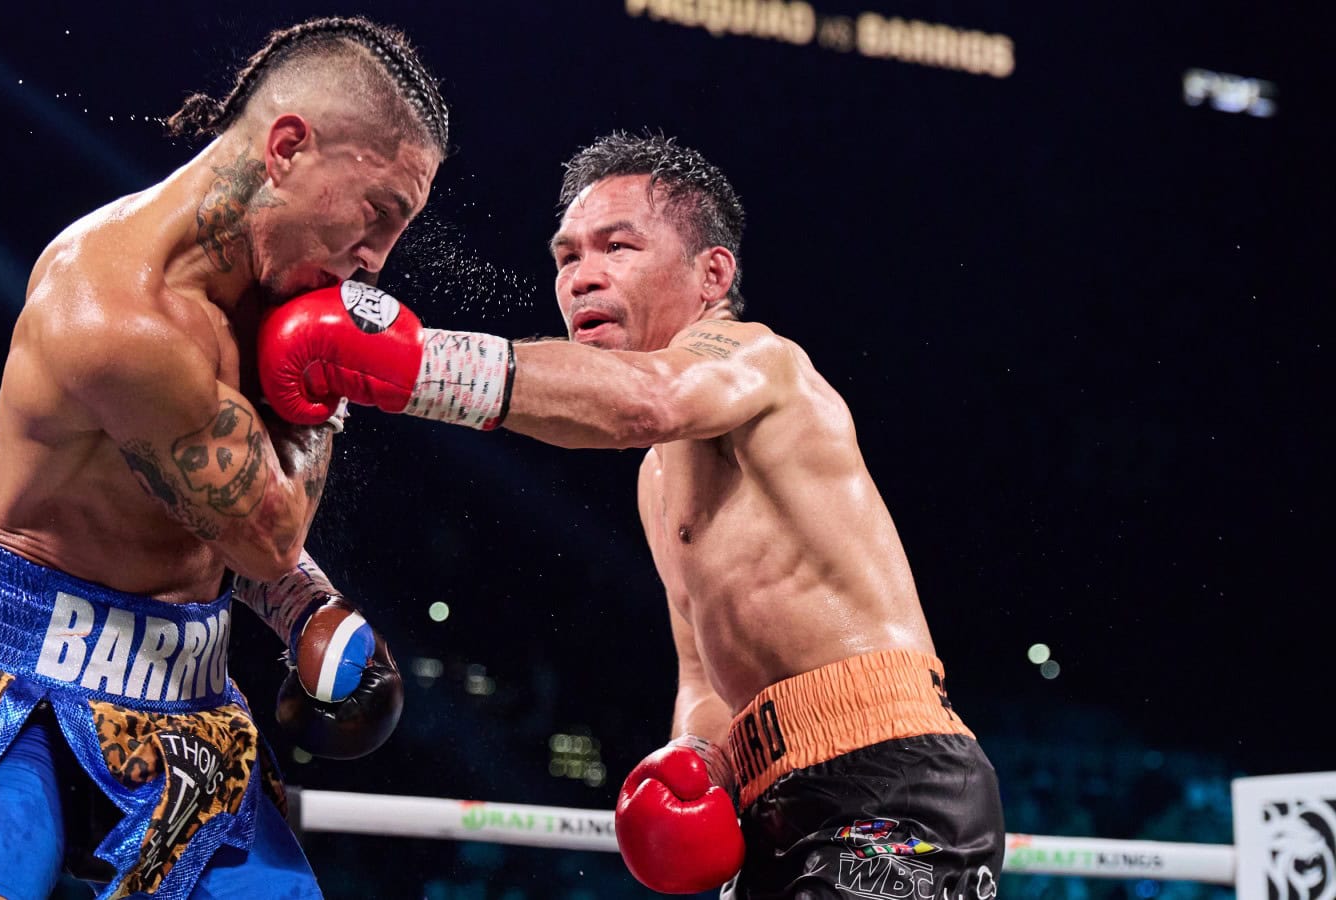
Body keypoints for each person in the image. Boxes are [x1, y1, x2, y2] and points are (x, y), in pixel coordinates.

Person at [0, 16, 446, 899]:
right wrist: (334, 381)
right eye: (380, 214)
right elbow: (264, 529)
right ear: (290, 148)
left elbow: (216, 520)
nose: (378, 262)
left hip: (189, 712)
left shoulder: (270, 294)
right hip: (15, 689)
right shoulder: (117, 307)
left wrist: (306, 607)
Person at [256, 131, 1005, 898]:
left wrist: (412, 364)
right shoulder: (656, 476)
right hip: (777, 798)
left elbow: (650, 397)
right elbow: (704, 675)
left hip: (894, 774)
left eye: (617, 247)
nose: (582, 277)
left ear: (712, 273)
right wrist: (697, 757)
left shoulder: (759, 359)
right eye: (567, 256)